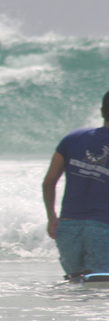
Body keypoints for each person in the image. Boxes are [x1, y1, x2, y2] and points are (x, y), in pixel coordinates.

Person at [43, 90, 109, 278]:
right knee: (100, 287)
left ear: (102, 111)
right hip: (103, 228)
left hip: (68, 226)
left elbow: (49, 182)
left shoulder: (74, 138)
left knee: (76, 284)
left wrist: (52, 218)